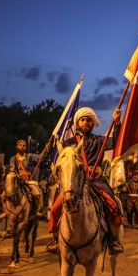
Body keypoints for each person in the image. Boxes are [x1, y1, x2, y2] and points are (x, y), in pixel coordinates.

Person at [48, 107, 124, 255]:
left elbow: (115, 142)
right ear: (77, 123)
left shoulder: (100, 141)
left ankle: (113, 241)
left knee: (113, 204)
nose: (86, 122)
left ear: (93, 122)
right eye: (83, 119)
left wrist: (116, 123)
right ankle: (57, 241)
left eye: (89, 120)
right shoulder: (67, 143)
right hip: (75, 183)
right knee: (55, 208)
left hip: (96, 180)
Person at [7, 140, 46, 217]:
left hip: (27, 181)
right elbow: (12, 168)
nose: (22, 147)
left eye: (24, 145)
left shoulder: (29, 156)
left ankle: (38, 210)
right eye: (20, 145)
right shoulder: (13, 159)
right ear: (17, 146)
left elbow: (39, 158)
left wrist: (45, 149)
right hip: (17, 181)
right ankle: (6, 209)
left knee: (37, 193)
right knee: (6, 193)